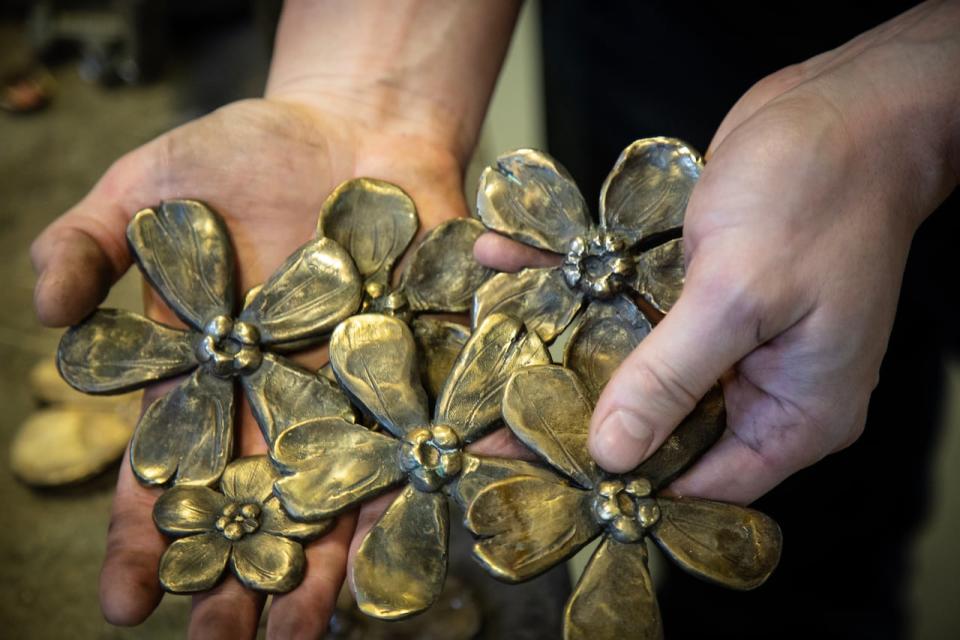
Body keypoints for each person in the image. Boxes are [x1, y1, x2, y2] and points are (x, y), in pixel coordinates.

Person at [29, 1, 960, 638]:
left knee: (805, 451)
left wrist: (907, 110)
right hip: (678, 43)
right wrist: (368, 88)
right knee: (718, 383)